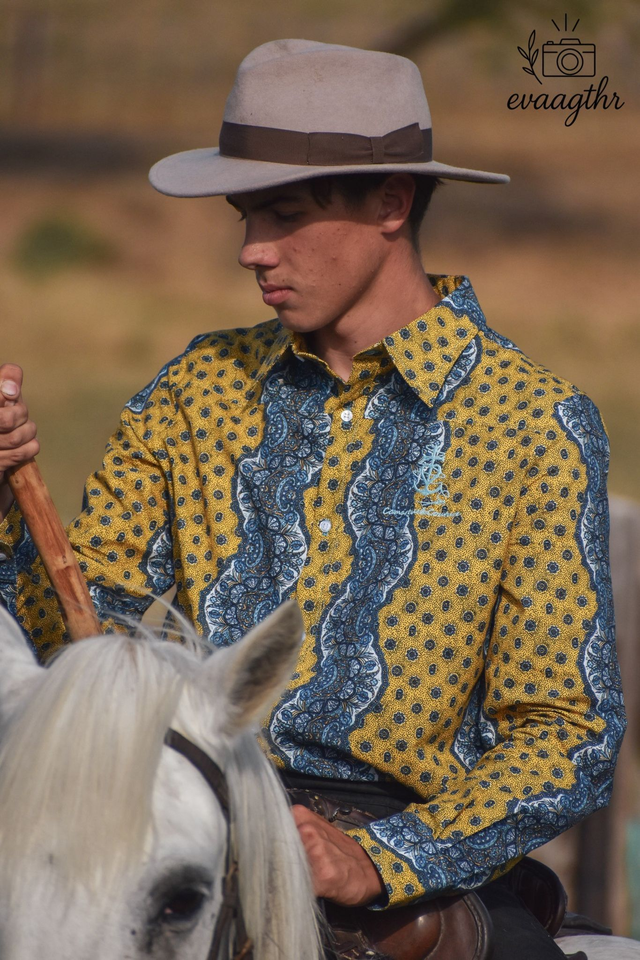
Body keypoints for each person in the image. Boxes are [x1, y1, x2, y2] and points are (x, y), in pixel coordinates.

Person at [0, 38, 625, 958]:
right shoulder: (193, 388)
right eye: (246, 215)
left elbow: (566, 733)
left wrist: (379, 862)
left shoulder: (537, 424)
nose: (253, 250)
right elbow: (82, 639)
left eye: (285, 214)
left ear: (390, 202)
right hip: (181, 814)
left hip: (410, 868)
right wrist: (9, 512)